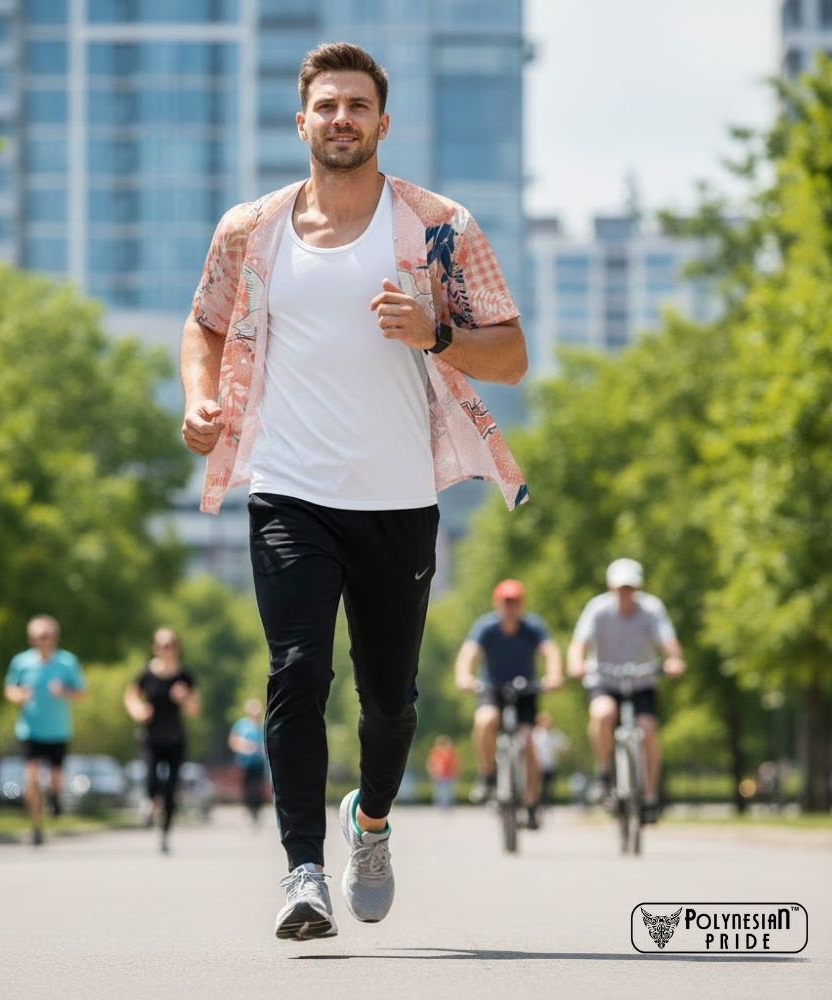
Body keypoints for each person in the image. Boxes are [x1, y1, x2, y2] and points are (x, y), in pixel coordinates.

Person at [180, 43, 528, 941]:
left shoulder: (438, 226)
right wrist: (199, 400)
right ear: (301, 121)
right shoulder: (249, 230)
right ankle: (302, 872)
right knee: (297, 668)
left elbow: (513, 356)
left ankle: (368, 824)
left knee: (392, 703)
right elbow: (205, 324)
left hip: (401, 500)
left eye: (357, 106)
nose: (341, 119)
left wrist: (436, 330)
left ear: (382, 122)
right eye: (326, 105)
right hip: (290, 491)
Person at [566, 558, 685, 824]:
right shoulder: (597, 609)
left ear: (638, 588)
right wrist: (576, 664)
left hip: (642, 680)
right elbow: (578, 643)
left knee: (648, 729)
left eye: (630, 588)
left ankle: (651, 796)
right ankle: (605, 771)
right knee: (603, 714)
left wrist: (674, 659)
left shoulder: (652, 609)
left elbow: (668, 641)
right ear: (611, 588)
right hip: (605, 679)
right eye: (620, 588)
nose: (625, 594)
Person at [454, 579, 563, 829]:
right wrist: (464, 677)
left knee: (528, 740)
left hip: (526, 690)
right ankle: (487, 775)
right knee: (486, 720)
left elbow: (550, 651)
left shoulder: (533, 627)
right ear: (497, 603)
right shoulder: (486, 627)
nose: (510, 607)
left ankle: (532, 803)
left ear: (522, 604)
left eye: (515, 602)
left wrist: (554, 675)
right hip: (492, 689)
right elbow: (468, 653)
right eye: (506, 602)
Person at [3, 615, 86, 846]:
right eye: (39, 636)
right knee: (30, 779)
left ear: (55, 637)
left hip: (58, 731)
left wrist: (64, 692)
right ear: (31, 638)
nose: (44, 640)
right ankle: (36, 826)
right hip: (30, 730)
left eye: (47, 636)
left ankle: (54, 796)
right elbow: (9, 689)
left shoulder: (67, 662)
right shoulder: (21, 663)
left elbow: (81, 692)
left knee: (56, 780)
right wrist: (19, 695)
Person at [123, 627, 200, 853]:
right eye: (162, 645)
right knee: (151, 778)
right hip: (151, 738)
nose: (166, 649)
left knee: (170, 788)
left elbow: (195, 709)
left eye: (171, 644)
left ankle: (165, 834)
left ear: (177, 648)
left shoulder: (184, 677)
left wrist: (185, 698)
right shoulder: (146, 674)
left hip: (175, 739)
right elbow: (130, 695)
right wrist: (138, 710)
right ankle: (149, 803)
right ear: (155, 647)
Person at [229, 698, 268, 825]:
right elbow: (233, 741)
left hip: (259, 762)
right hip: (245, 762)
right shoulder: (241, 725)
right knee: (247, 789)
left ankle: (257, 811)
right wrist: (245, 746)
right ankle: (250, 810)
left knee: (258, 788)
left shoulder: (263, 724)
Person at [533, 711, 569, 807]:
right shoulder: (535, 733)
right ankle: (537, 801)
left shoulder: (554, 733)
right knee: (538, 784)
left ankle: (546, 801)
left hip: (550, 765)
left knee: (548, 785)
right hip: (538, 765)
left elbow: (564, 745)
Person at [425, 735, 460, 810]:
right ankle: (440, 805)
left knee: (448, 791)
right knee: (440, 791)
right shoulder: (436, 752)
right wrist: (432, 772)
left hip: (448, 775)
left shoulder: (450, 752)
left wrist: (455, 772)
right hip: (439, 775)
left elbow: (455, 764)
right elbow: (431, 763)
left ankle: (446, 805)